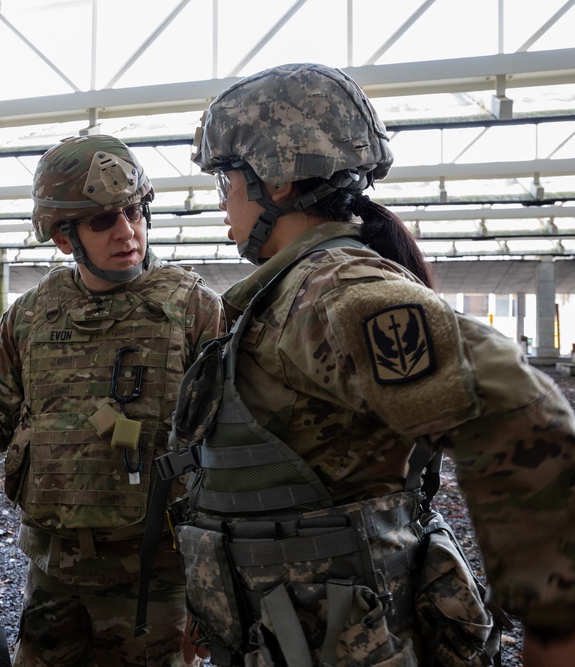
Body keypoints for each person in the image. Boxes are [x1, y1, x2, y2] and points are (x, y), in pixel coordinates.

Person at [167, 62, 575, 666]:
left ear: (274, 183)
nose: (222, 201)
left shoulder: (334, 294)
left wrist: (555, 632)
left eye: (225, 180)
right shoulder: (291, 294)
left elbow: (522, 421)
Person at [0, 134, 224, 666]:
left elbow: (230, 450)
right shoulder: (33, 314)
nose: (128, 231)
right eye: (103, 220)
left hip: (153, 582)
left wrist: (214, 585)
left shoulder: (197, 311)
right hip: (53, 572)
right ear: (65, 237)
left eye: (134, 211)